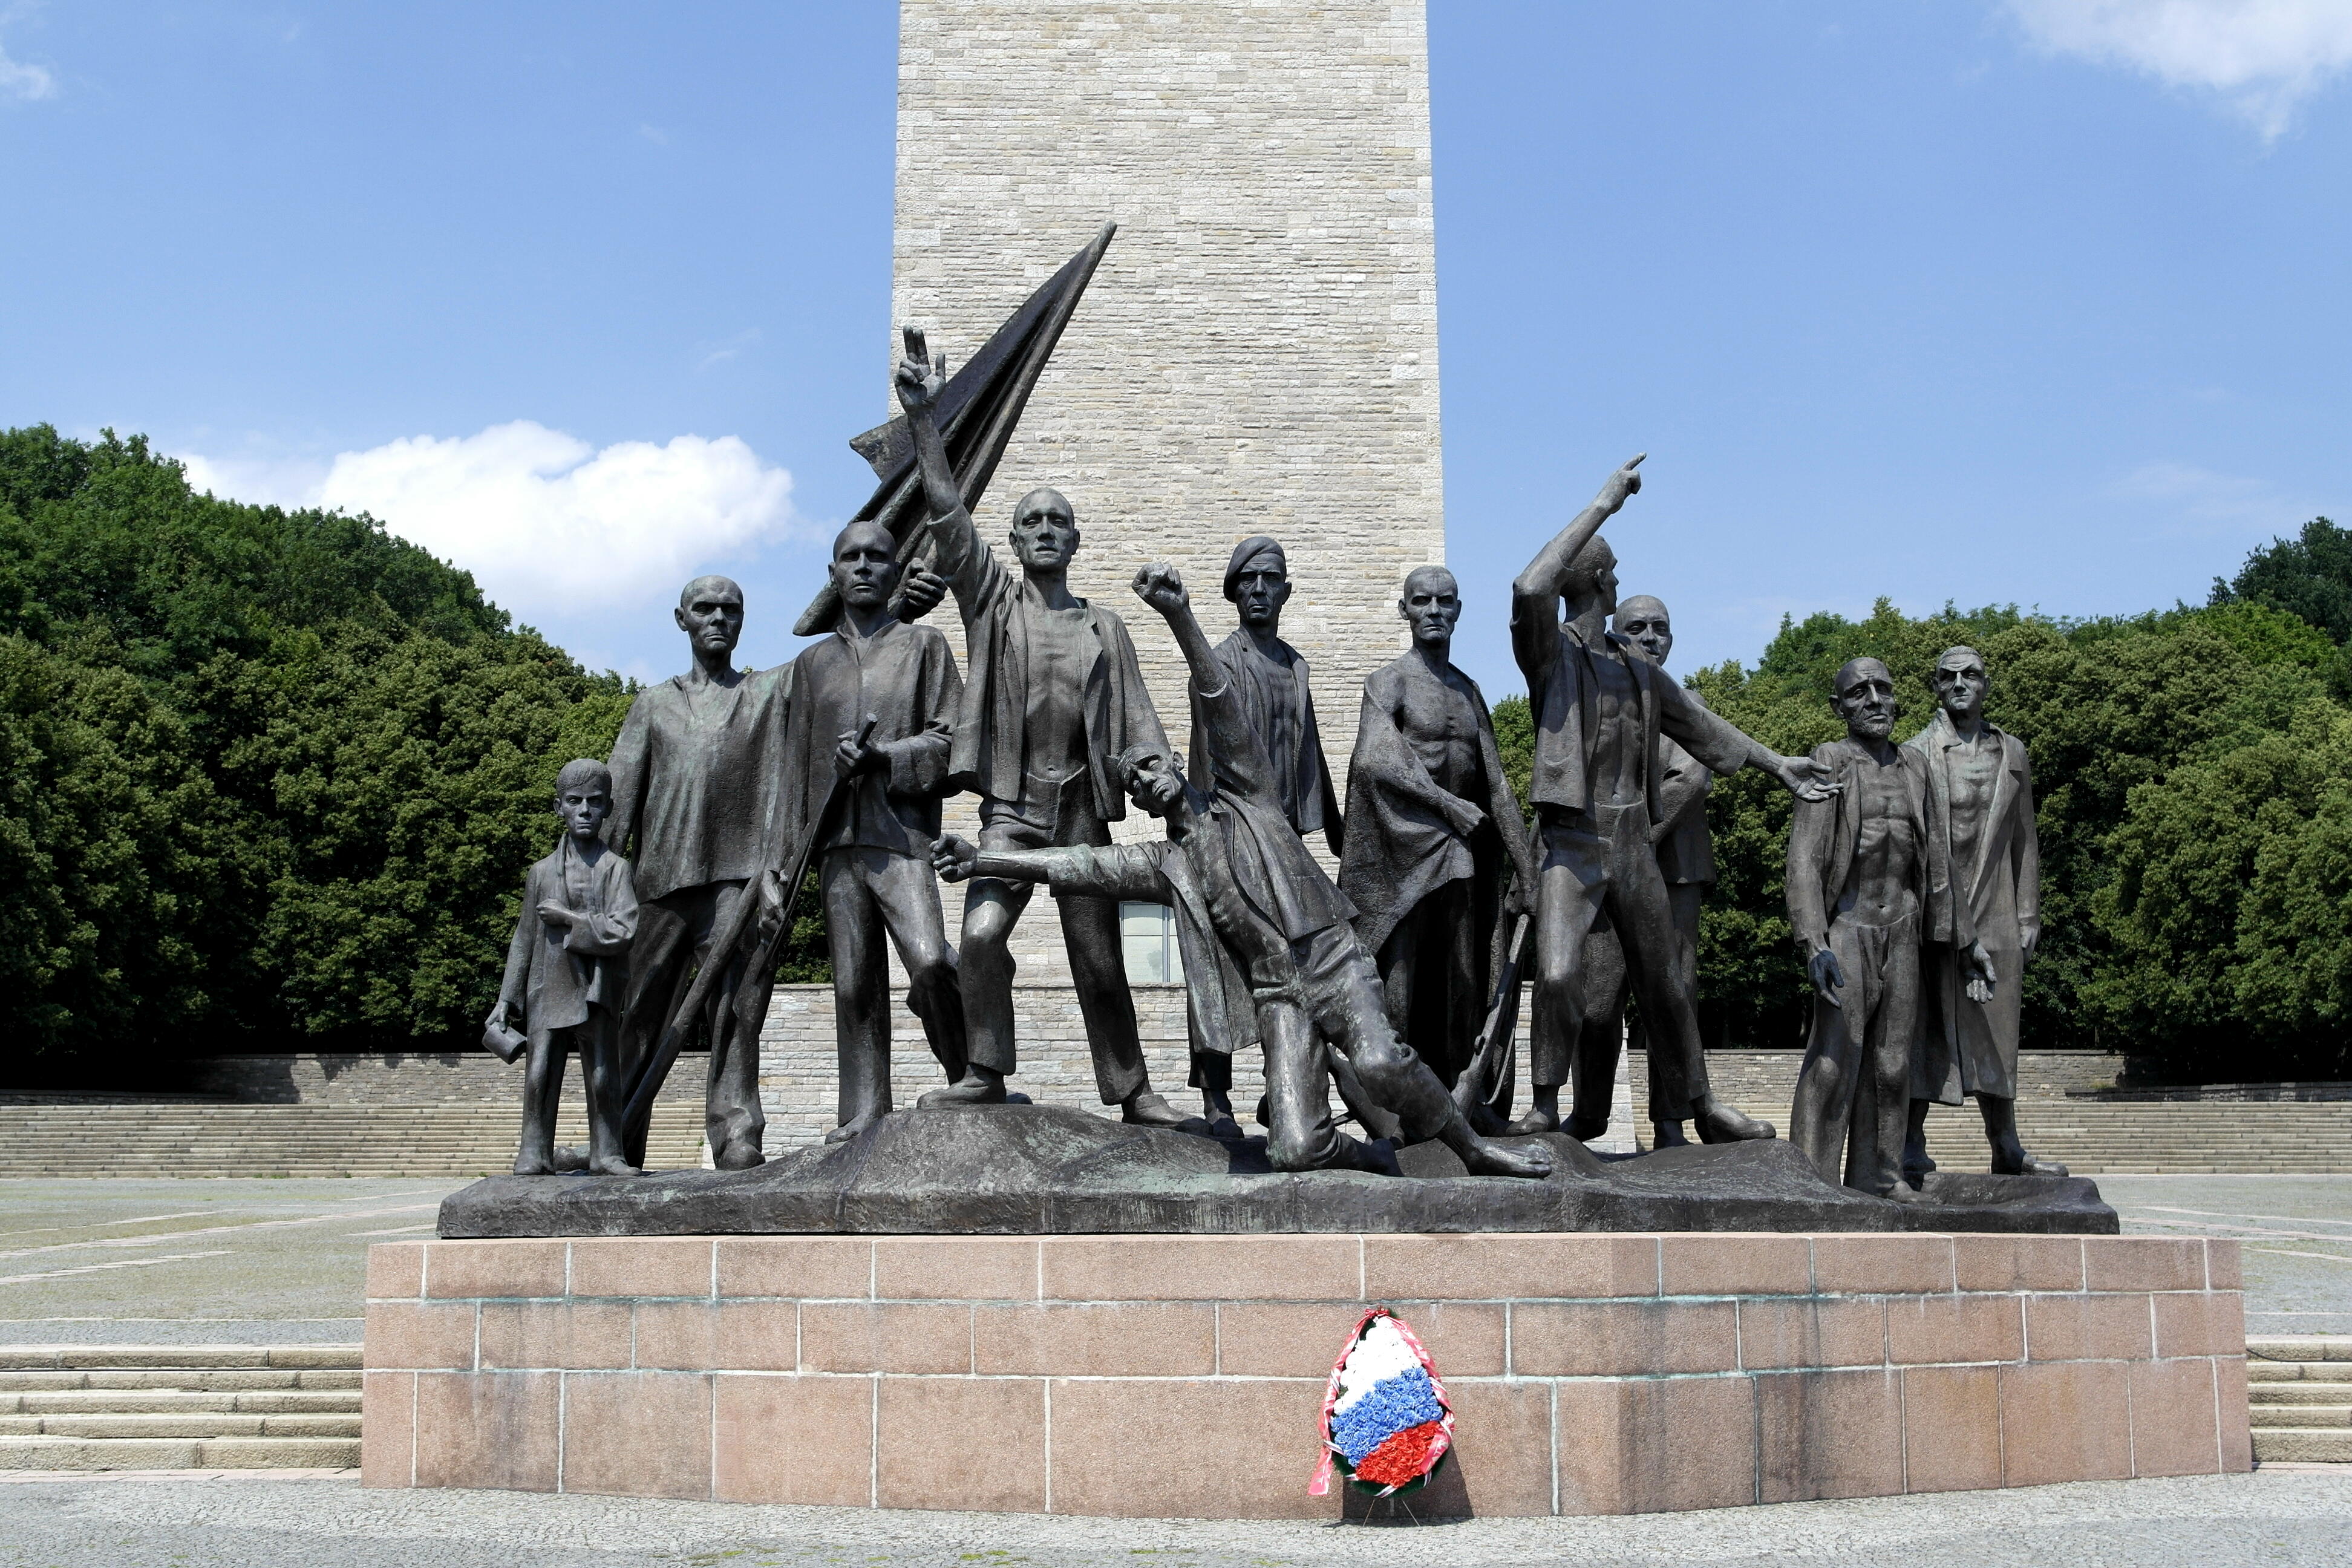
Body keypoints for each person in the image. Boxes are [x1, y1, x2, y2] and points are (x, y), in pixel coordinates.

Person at [933, 564, 1554, 1181]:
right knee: (1292, 1149)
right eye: (1135, 783)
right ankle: (1367, 1154)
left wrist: (1179, 617)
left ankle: (1475, 1149)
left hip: (1332, 965)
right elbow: (1075, 864)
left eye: (1151, 766)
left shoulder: (1246, 792)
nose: (1146, 781)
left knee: (1379, 1062)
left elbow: (1219, 701)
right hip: (1280, 995)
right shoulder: (1167, 863)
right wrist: (982, 859)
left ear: (1176, 763)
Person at [894, 335, 1185, 1125]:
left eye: (1060, 520)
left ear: (1075, 540)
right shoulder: (993, 603)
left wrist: (1159, 774)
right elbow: (948, 512)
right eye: (1033, 521)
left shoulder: (1105, 629)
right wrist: (924, 419)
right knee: (983, 936)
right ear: (1015, 543)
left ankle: (1132, 1089)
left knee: (1099, 957)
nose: (1047, 528)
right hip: (1014, 811)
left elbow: (1137, 726)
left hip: (1082, 811)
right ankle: (986, 1069)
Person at [1509, 454, 1836, 1142]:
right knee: (1561, 971)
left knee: (1668, 984)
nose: (1621, 577)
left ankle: (1701, 1105)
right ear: (1596, 579)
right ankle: (1545, 1102)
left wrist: (1779, 765)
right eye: (1613, 570)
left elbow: (1705, 728)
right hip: (1574, 840)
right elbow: (1530, 583)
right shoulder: (1553, 657)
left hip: (1632, 841)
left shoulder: (1639, 672)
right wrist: (1603, 502)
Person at [779, 520, 968, 1143]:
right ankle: (864, 1111)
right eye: (850, 558)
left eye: (876, 558)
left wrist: (885, 757)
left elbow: (954, 742)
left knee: (933, 963)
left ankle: (970, 1075)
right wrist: (780, 868)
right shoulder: (810, 666)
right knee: (854, 984)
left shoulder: (923, 647)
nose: (862, 566)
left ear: (895, 572)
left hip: (902, 840)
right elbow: (789, 771)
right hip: (836, 846)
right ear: (833, 575)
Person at [602, 577, 792, 1170]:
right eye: (704, 609)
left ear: (743, 621)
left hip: (736, 882)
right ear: (681, 619)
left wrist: (893, 601)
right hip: (658, 883)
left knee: (738, 1009)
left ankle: (737, 1133)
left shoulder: (767, 692)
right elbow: (616, 802)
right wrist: (589, 886)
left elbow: (838, 647)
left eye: (730, 610)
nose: (718, 618)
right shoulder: (653, 704)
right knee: (633, 1013)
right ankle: (615, 1140)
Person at [1787, 659, 1991, 1198]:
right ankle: (1810, 1179)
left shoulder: (1915, 767)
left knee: (1894, 1065)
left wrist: (1966, 942)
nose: (1874, 699)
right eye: (1859, 692)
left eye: (1883, 688)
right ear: (1840, 707)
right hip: (1847, 928)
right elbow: (1805, 862)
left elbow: (1940, 864)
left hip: (1902, 929)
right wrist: (1813, 942)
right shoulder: (1830, 762)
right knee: (1833, 1061)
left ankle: (1881, 1174)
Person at [1341, 566, 1535, 1097]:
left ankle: (1458, 1099)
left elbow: (1496, 785)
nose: (1433, 611)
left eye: (1444, 602)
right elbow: (1373, 762)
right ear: (1404, 610)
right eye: (1421, 601)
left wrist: (1527, 867)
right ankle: (1398, 1104)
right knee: (1399, 982)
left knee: (1463, 980)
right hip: (1405, 857)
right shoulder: (1390, 682)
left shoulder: (1469, 692)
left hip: (1460, 857)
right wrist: (1447, 805)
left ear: (1458, 611)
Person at [1185, 534, 1347, 1131]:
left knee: (1303, 967)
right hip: (1230, 830)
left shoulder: (1296, 666)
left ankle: (1292, 1091)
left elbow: (1312, 753)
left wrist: (1334, 827)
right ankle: (1214, 1097)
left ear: (1285, 590)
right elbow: (1204, 749)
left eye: (1268, 579)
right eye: (1247, 580)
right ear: (1233, 592)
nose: (1258, 589)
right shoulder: (1221, 661)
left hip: (1285, 841)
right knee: (1218, 965)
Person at [1903, 646, 2065, 1178]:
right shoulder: (1916, 753)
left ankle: (2007, 1145)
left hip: (1995, 905)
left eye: (1970, 675)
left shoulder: (2011, 750)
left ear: (1986, 684)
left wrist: (2027, 913)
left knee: (1998, 1027)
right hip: (1934, 909)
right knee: (1924, 1026)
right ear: (1936, 686)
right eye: (1948, 677)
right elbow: (1919, 845)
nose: (1960, 684)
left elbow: (2025, 837)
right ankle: (1910, 1141)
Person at [1567, 594, 1717, 1146]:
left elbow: (1690, 780)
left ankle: (1671, 1121)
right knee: (1598, 1000)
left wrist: (1630, 846)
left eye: (1660, 628)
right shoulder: (1603, 699)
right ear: (1615, 634)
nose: (1651, 637)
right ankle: (1588, 1114)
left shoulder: (1686, 706)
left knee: (1673, 995)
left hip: (1674, 873)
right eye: (1637, 627)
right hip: (1607, 877)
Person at [489, 759, 639, 1177]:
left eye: (594, 802)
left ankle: (607, 1154)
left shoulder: (616, 869)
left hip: (597, 986)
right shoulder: (540, 873)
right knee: (539, 1073)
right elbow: (523, 938)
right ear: (560, 808)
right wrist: (507, 998)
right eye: (575, 802)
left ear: (609, 807)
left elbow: (625, 930)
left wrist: (570, 919)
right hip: (547, 982)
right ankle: (534, 1151)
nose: (585, 811)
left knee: (604, 1075)